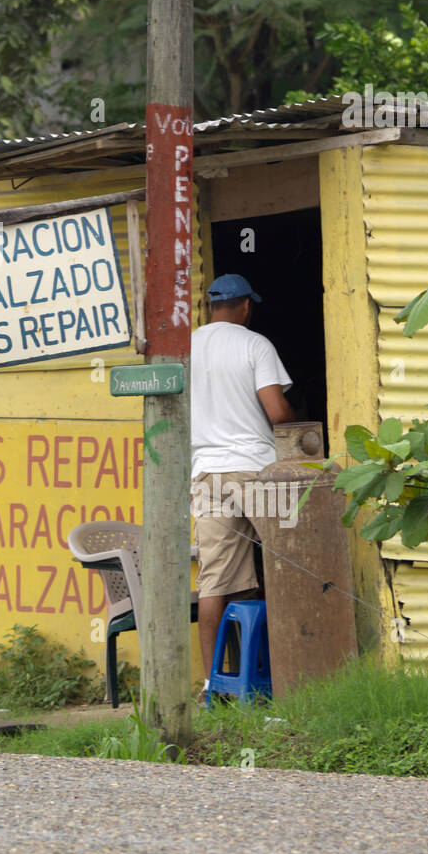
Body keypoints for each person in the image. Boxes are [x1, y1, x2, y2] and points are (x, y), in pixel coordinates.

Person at [190, 273, 294, 695]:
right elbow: (277, 412)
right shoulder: (256, 344)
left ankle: (212, 683)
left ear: (211, 306)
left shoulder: (188, 345)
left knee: (214, 580)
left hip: (207, 473)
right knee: (286, 566)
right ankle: (288, 675)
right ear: (247, 306)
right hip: (255, 470)